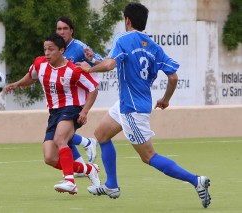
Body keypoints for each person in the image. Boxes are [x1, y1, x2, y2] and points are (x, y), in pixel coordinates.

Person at [76, 2, 211, 208]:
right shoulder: (154, 46)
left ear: (127, 20)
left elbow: (111, 64)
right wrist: (165, 99)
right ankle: (111, 184)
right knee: (101, 133)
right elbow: (173, 77)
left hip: (132, 110)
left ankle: (196, 181)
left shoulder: (123, 38)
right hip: (129, 104)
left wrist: (89, 69)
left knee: (149, 157)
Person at [4, 34, 100, 194]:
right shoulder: (40, 63)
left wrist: (84, 111)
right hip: (54, 113)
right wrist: (17, 84)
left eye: (51, 49)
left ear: (62, 50)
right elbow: (31, 76)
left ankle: (70, 181)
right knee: (49, 157)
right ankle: (88, 169)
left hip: (72, 108)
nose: (47, 53)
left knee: (60, 139)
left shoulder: (73, 70)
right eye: (45, 49)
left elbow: (93, 89)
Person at [55, 16, 103, 170]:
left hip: (79, 97)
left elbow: (105, 63)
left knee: (61, 134)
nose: (61, 32)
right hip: (65, 97)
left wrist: (91, 60)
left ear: (71, 31)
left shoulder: (80, 47)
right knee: (62, 135)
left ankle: (87, 143)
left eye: (65, 29)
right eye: (59, 29)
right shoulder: (56, 47)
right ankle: (82, 163)